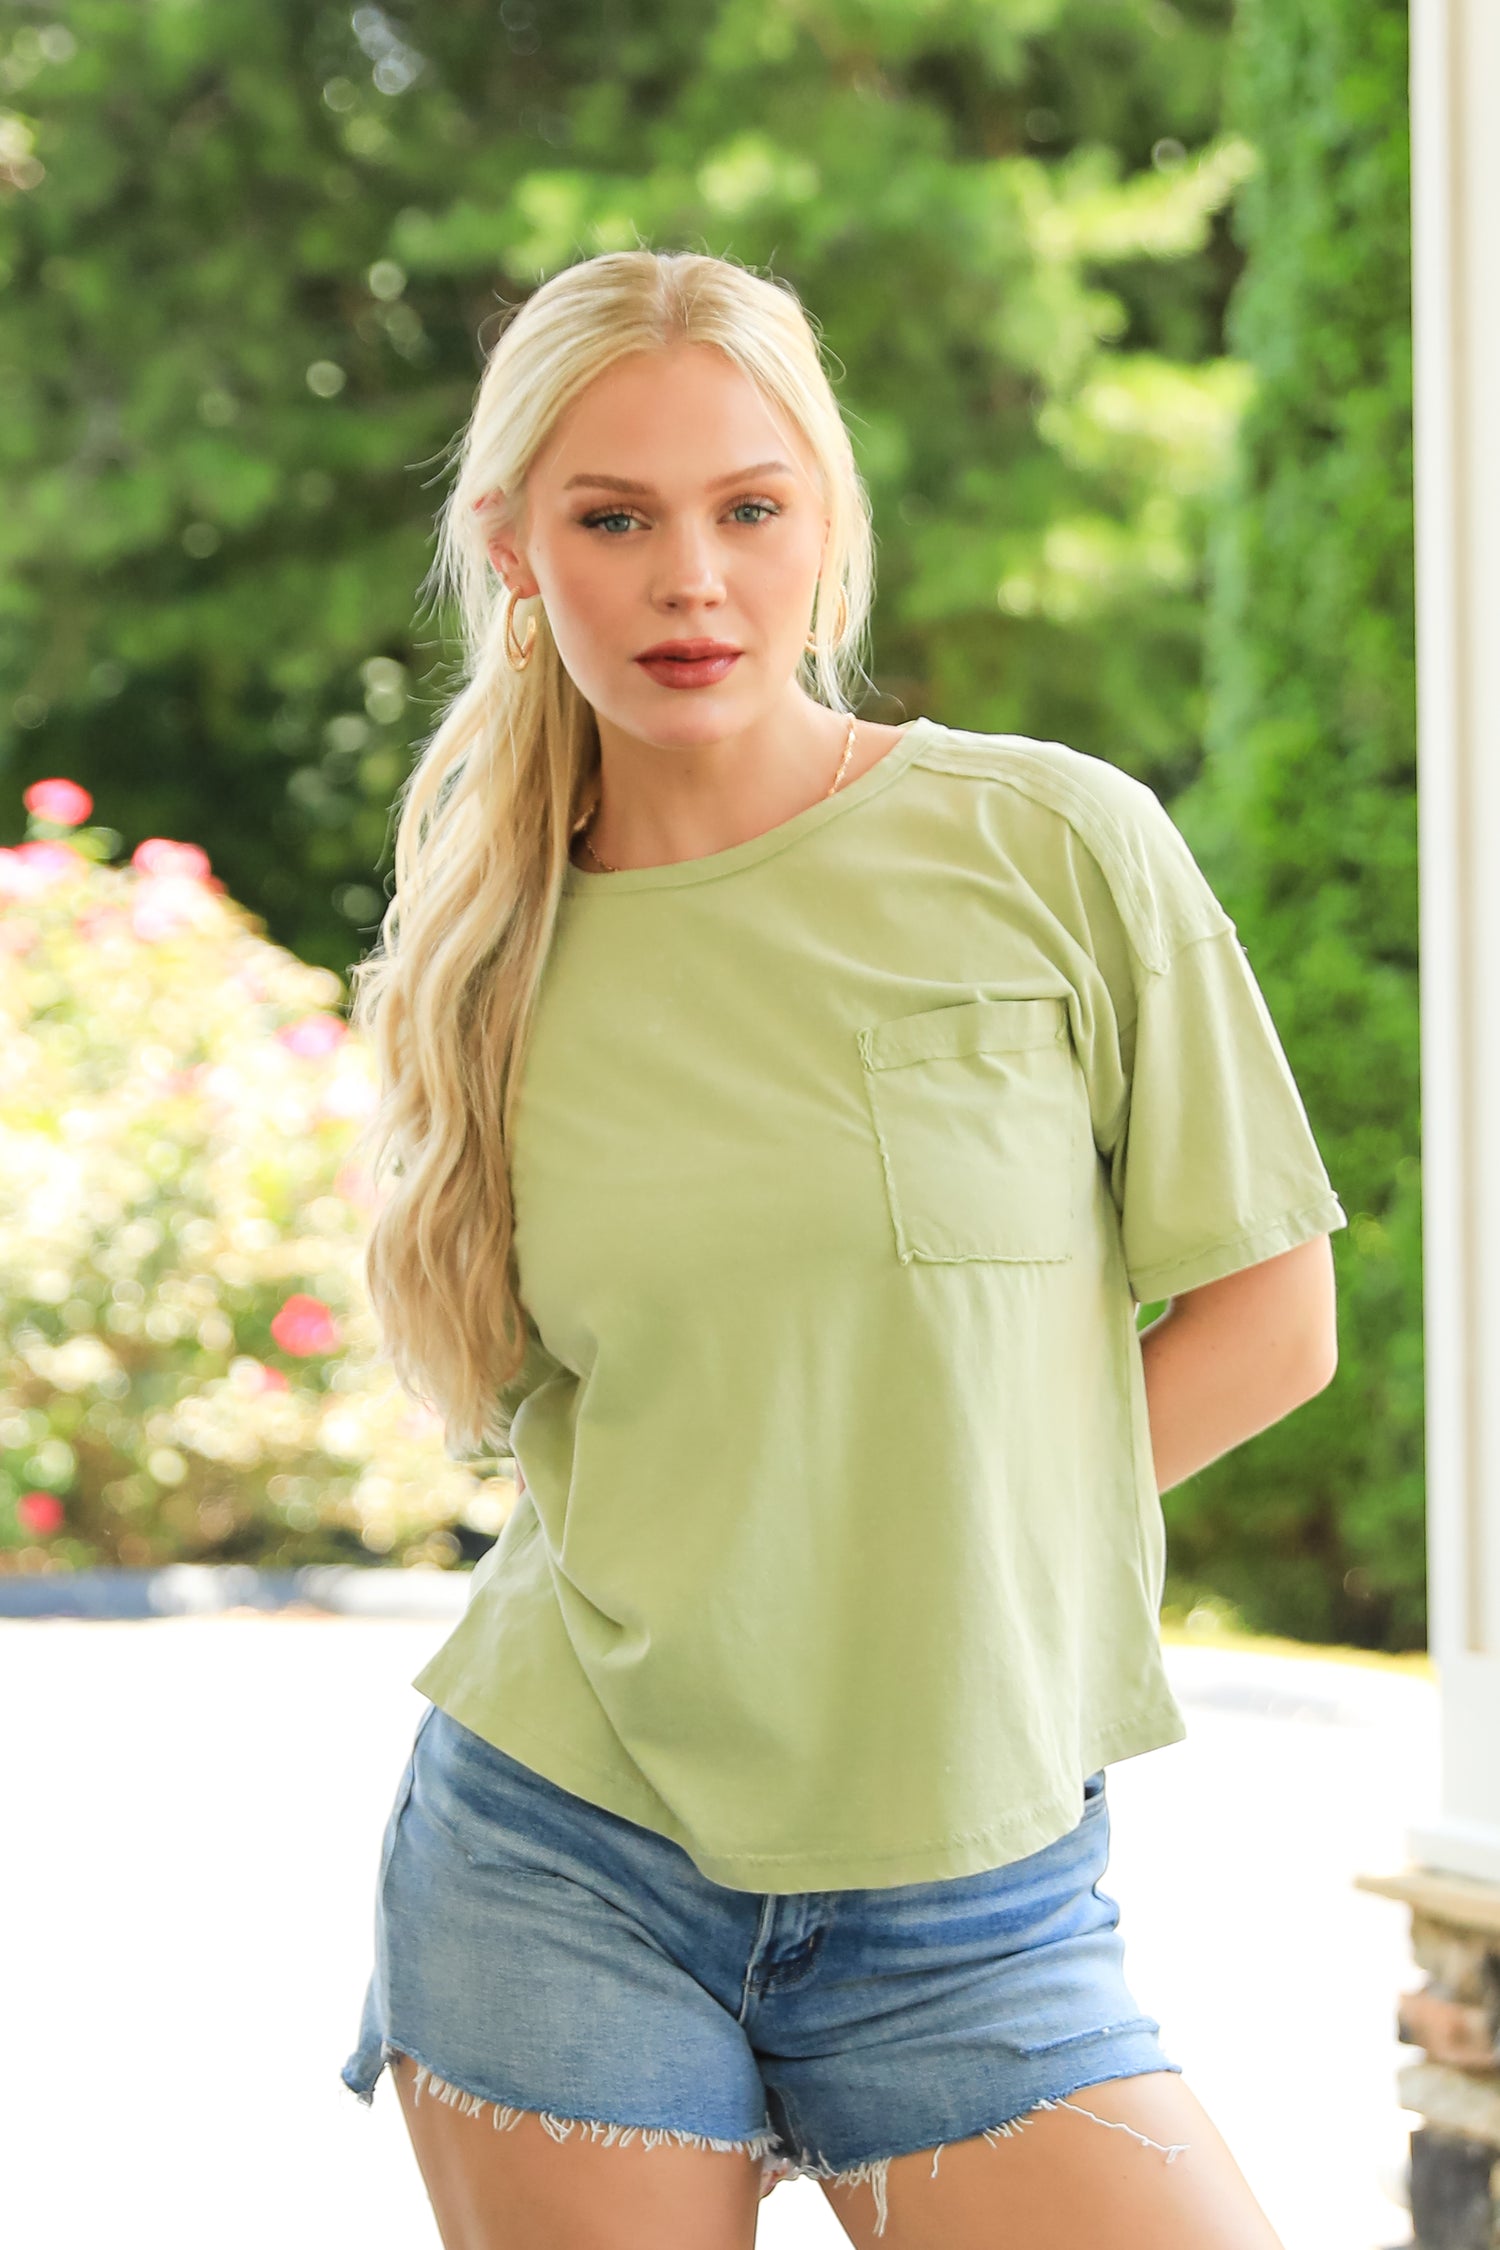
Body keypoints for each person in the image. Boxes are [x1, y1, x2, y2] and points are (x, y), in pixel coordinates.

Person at [339, 247, 1345, 2250]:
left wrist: (948, 1557)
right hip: (566, 1855)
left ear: (827, 519)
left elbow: (1270, 1316)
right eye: (613, 520)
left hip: (973, 1889)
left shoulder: (1051, 844)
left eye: (748, 507)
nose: (689, 581)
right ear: (516, 550)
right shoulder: (488, 955)